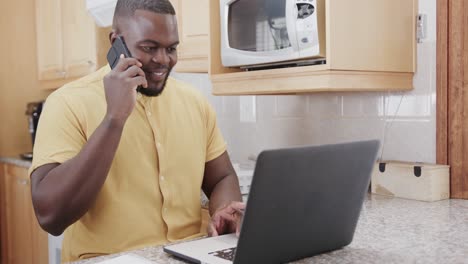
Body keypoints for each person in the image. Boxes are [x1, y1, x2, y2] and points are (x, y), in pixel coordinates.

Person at [29, 0, 244, 262]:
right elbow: (50, 216)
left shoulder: (195, 102)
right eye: (149, 47)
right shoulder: (67, 103)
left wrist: (224, 209)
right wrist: (114, 119)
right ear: (116, 41)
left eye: (171, 48)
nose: (163, 60)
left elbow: (221, 177)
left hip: (191, 254)